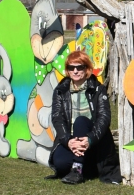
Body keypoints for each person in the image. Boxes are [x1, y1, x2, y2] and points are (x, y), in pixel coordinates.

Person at [50, 50, 122, 185]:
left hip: (93, 140)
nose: (75, 71)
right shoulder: (60, 90)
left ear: (87, 69)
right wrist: (69, 142)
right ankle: (86, 166)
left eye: (80, 67)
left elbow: (104, 117)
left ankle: (77, 170)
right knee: (60, 163)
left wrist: (90, 139)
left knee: (81, 121)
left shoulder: (98, 89)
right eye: (72, 68)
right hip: (72, 139)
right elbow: (57, 118)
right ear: (67, 70)